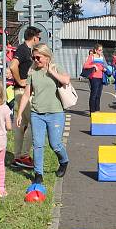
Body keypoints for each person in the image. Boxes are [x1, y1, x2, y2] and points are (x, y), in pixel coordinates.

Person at [16, 43, 70, 185]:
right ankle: (38, 174)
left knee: (55, 144)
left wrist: (51, 72)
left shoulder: (56, 67)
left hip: (55, 113)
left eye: (38, 57)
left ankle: (64, 161)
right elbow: (27, 95)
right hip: (37, 113)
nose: (36, 60)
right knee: (38, 144)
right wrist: (20, 113)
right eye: (34, 58)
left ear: (46, 57)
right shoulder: (32, 72)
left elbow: (66, 80)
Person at [9, 26, 41, 169]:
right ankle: (24, 155)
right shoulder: (23, 49)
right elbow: (13, 65)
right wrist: (20, 80)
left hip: (21, 91)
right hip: (22, 91)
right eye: (38, 37)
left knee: (20, 125)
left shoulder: (27, 50)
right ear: (33, 37)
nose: (39, 40)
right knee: (34, 123)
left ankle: (17, 156)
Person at [83, 44, 107, 113]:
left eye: (101, 50)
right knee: (94, 94)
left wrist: (104, 69)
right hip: (94, 77)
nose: (101, 51)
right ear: (96, 50)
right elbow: (85, 65)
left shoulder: (102, 57)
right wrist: (93, 65)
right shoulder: (92, 56)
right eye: (99, 50)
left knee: (98, 95)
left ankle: (97, 110)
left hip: (101, 77)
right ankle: (92, 111)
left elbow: (104, 65)